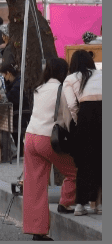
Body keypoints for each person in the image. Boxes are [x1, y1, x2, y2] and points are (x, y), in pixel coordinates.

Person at [22, 58, 77, 240]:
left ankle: (37, 231)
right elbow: (68, 116)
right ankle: (66, 203)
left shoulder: (39, 88)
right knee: (75, 170)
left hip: (30, 137)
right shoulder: (62, 88)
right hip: (48, 138)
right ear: (63, 71)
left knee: (34, 185)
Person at [63, 50, 101, 216]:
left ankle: (80, 204)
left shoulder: (70, 79)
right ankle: (99, 205)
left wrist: (80, 123)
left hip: (85, 113)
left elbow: (72, 105)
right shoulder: (101, 74)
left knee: (85, 161)